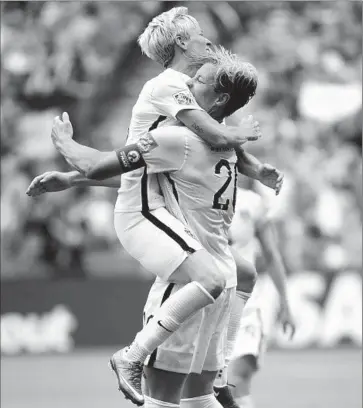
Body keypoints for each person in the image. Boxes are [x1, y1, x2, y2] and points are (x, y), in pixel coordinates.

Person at [27, 8, 282, 406]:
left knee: (234, 275)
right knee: (219, 279)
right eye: (199, 37)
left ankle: (215, 373)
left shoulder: (195, 134)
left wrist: (74, 179)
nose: (208, 44)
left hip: (173, 214)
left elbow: (194, 145)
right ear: (181, 43)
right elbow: (116, 163)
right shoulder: (173, 104)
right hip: (147, 213)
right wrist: (66, 149)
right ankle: (138, 356)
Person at [214, 180, 296, 408]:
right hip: (210, 306)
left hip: (247, 305)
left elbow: (271, 254)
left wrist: (285, 306)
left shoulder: (252, 201)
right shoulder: (197, 195)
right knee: (211, 388)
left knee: (234, 380)